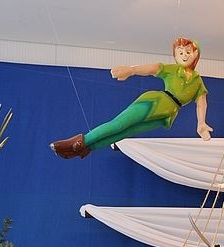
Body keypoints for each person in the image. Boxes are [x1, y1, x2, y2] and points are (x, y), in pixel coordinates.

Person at [50, 37, 212, 159]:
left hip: (168, 114)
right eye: (180, 52)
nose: (184, 55)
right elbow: (153, 68)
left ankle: (87, 148)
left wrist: (201, 123)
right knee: (119, 124)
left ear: (196, 54)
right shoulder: (172, 69)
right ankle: (80, 141)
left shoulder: (198, 81)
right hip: (155, 101)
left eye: (188, 52)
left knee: (127, 132)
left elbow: (201, 103)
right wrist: (131, 70)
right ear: (175, 55)